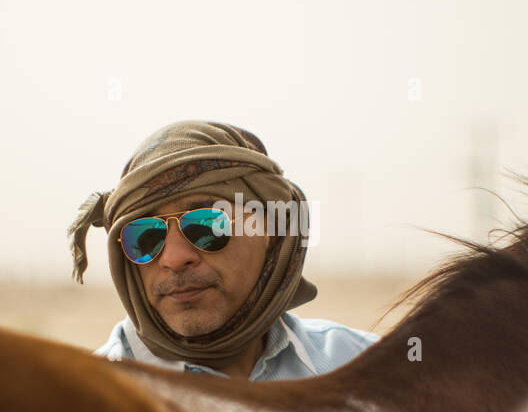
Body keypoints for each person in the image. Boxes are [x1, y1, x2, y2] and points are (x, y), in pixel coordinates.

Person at [68, 121, 377, 379]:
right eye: (146, 237)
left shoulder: (365, 370)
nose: (174, 258)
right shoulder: (89, 410)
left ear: (269, 230)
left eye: (207, 226)